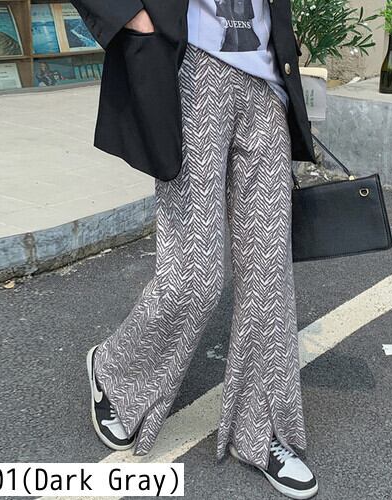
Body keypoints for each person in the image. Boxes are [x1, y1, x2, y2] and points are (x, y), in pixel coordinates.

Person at [73, 0, 319, 498]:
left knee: (268, 274)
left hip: (266, 85)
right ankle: (116, 370)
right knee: (196, 274)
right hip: (192, 72)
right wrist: (132, 17)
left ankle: (263, 429)